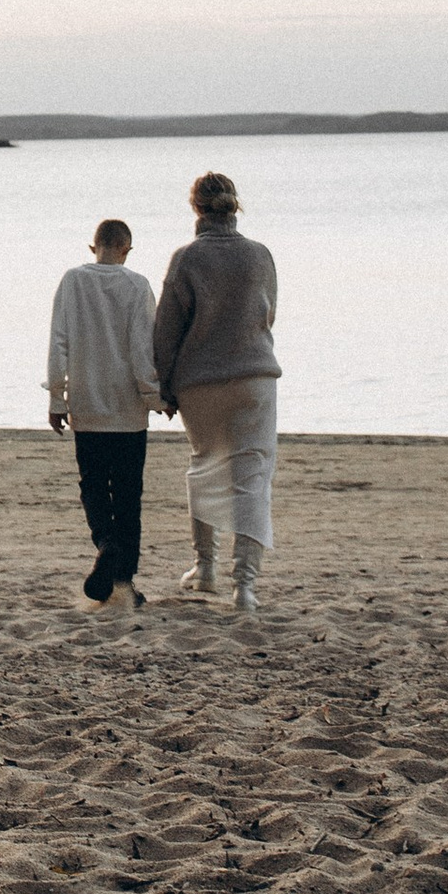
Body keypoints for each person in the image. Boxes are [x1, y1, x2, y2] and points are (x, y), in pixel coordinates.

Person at [152, 169, 280, 615]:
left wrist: (164, 387)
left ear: (196, 208)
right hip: (253, 378)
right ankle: (244, 586)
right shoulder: (260, 255)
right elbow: (269, 316)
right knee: (252, 478)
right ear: (233, 205)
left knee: (205, 467)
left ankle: (204, 568)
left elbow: (166, 332)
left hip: (200, 382)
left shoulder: (186, 259)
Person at [43, 216, 162, 609]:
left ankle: (106, 543)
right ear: (127, 249)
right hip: (128, 411)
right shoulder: (137, 285)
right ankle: (124, 583)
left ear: (93, 247)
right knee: (129, 496)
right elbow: (144, 349)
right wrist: (155, 397)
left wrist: (57, 399)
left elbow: (58, 342)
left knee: (93, 487)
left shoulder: (73, 281)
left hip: (88, 406)